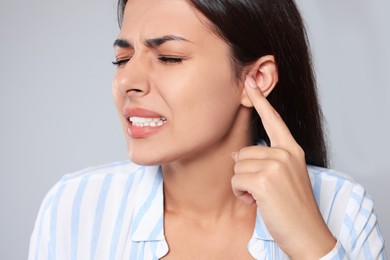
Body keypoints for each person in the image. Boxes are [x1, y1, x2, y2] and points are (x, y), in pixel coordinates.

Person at [29, 0, 386, 259]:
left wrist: (310, 242)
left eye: (169, 57)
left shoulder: (343, 206)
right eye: (122, 59)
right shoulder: (75, 207)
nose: (127, 81)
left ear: (256, 78)